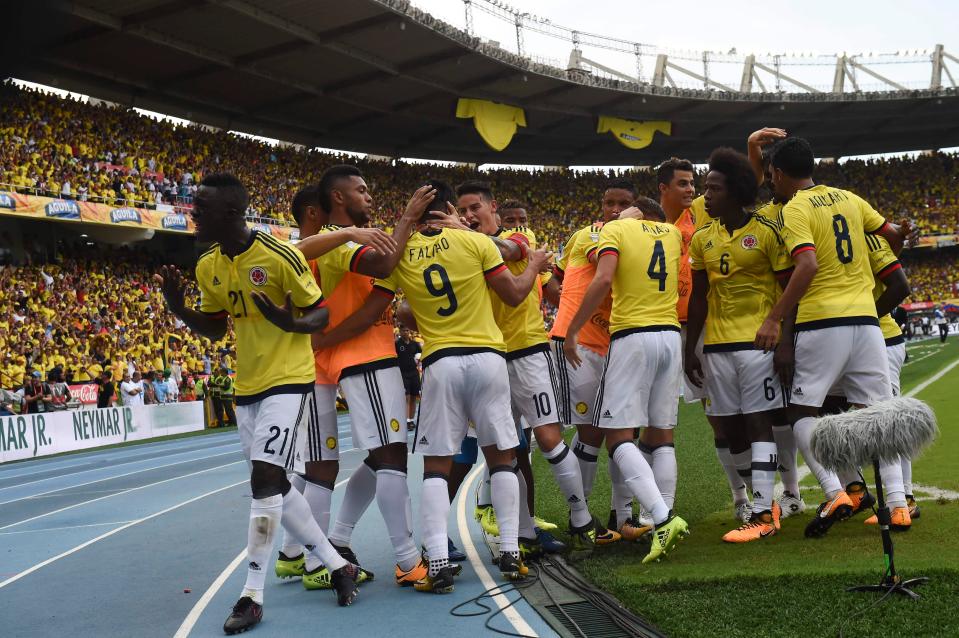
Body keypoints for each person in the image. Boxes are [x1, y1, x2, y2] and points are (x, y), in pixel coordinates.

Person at [157, 173, 361, 634]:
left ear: (230, 213)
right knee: (276, 487)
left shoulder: (279, 254)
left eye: (201, 208)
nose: (193, 214)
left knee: (264, 479)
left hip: (289, 380)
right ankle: (337, 565)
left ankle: (252, 594)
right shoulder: (208, 264)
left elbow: (321, 312)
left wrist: (291, 321)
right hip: (247, 387)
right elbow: (214, 328)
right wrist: (179, 309)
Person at [375, 179, 550, 593]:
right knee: (503, 457)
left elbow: (391, 289)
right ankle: (510, 552)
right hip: (489, 357)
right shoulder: (475, 243)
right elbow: (512, 295)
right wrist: (534, 266)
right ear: (451, 207)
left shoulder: (403, 254)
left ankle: (436, 561)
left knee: (437, 465)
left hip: (441, 362)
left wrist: (404, 224)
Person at [272, 169, 431, 590]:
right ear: (338, 198)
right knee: (389, 457)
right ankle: (407, 560)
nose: (370, 196)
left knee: (343, 464)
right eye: (362, 190)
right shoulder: (342, 240)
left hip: (336, 361)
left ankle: (323, 550)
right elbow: (381, 265)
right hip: (362, 360)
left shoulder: (343, 238)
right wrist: (408, 219)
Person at [755, 136, 915, 538]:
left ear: (776, 172)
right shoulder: (850, 197)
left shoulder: (794, 209)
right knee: (880, 413)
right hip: (866, 322)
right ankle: (897, 505)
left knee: (802, 412)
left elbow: (805, 264)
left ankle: (834, 490)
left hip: (821, 322)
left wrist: (775, 318)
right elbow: (894, 235)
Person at [453, 181, 595, 558]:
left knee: (548, 439)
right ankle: (522, 532)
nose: (468, 217)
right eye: (462, 211)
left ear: (492, 207)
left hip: (528, 351)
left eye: (474, 209)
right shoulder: (466, 247)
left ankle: (582, 519)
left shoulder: (520, 234)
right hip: (487, 357)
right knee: (508, 450)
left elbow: (519, 254)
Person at [562, 200, 691, 565]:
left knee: (618, 435)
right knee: (662, 433)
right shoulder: (670, 233)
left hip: (633, 336)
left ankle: (662, 519)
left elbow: (603, 278)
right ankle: (660, 514)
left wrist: (572, 330)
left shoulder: (615, 230)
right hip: (669, 336)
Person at [685, 148, 792, 542]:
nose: (705, 196)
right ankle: (762, 502)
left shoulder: (766, 232)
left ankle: (763, 513)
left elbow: (787, 290)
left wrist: (784, 342)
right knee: (731, 430)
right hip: (715, 347)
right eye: (705, 187)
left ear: (735, 192)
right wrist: (689, 349)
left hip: (758, 345)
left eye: (713, 188)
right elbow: (698, 298)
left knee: (758, 421)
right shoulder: (701, 240)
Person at [547, 179, 653, 542]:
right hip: (580, 345)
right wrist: (568, 316)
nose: (614, 210)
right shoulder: (593, 234)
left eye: (623, 203)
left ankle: (620, 516)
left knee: (622, 430)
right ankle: (582, 517)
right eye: (609, 203)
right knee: (590, 432)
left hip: (613, 345)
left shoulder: (628, 237)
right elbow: (563, 275)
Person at [395, 327, 422, 432]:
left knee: (414, 397)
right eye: (404, 330)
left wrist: (419, 360)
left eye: (408, 330)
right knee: (406, 397)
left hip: (414, 373)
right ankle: (405, 420)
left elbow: (420, 354)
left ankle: (410, 420)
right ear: (400, 332)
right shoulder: (397, 344)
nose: (406, 332)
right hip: (402, 373)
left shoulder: (415, 344)